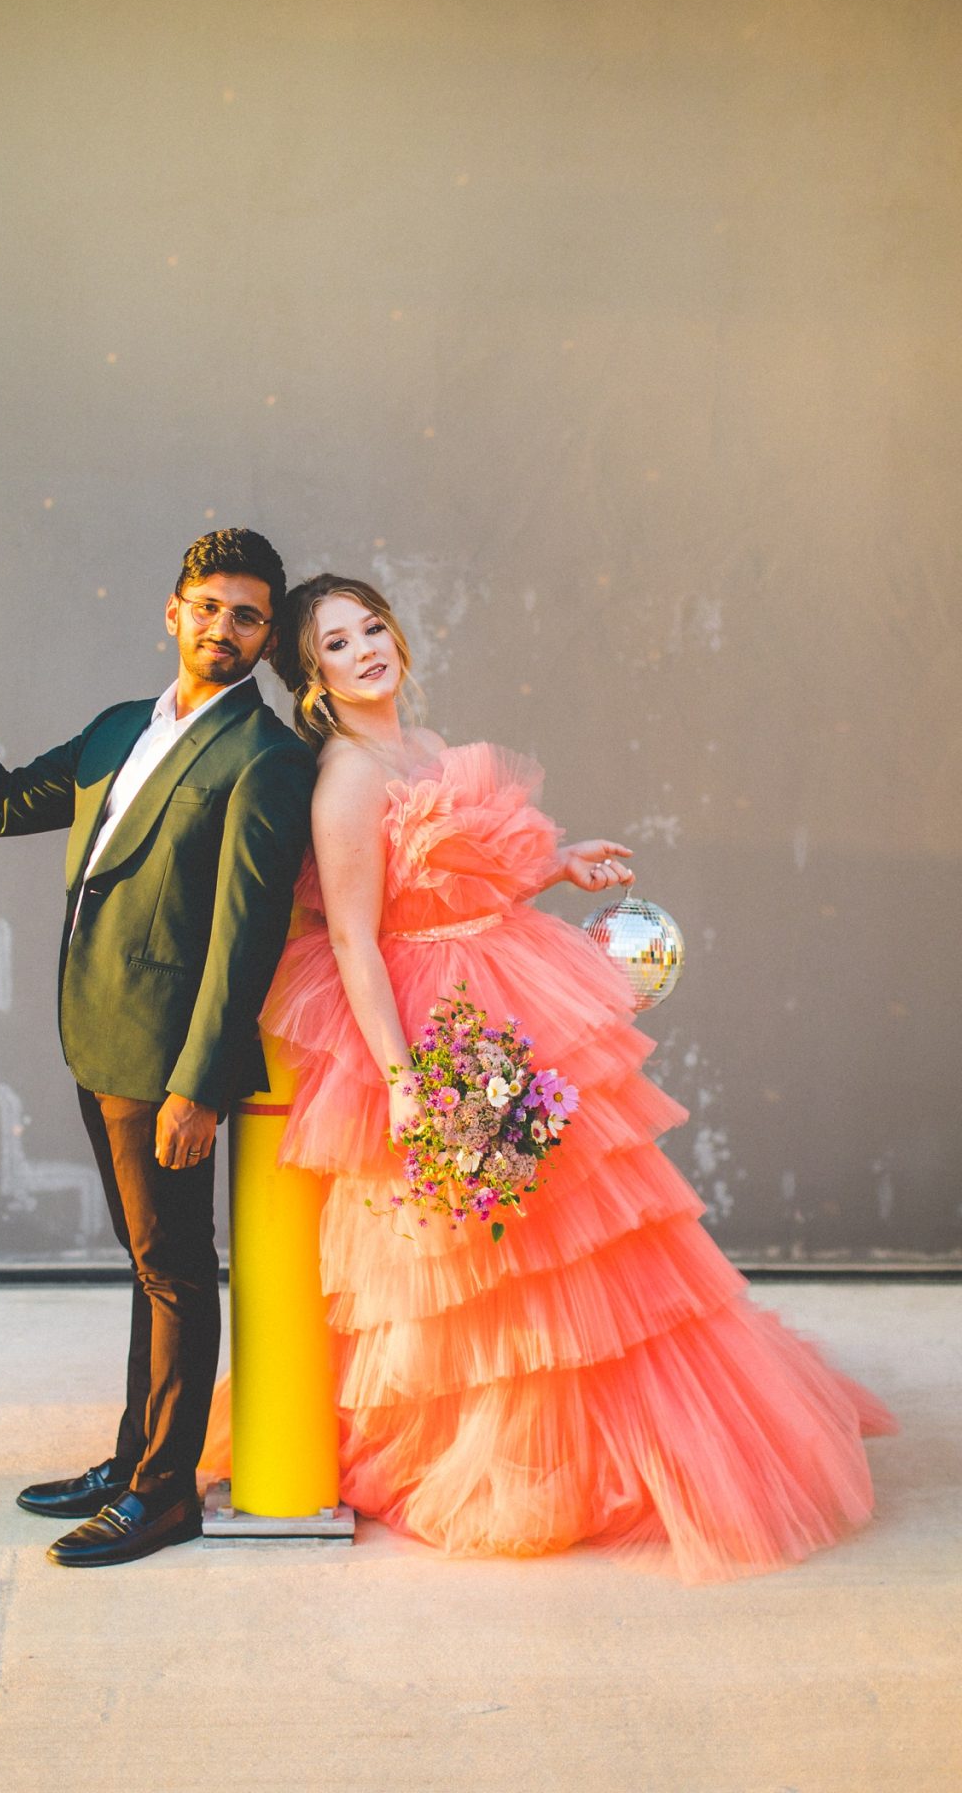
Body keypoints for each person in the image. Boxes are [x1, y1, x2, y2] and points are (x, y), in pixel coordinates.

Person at [230, 571, 895, 1582]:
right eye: (336, 643)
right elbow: (358, 940)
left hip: (505, 973)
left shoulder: (415, 747)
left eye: (372, 627)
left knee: (571, 1229)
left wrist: (556, 862)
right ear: (312, 677)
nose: (366, 649)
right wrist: (403, 1076)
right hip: (430, 1011)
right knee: (479, 1253)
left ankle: (605, 1433)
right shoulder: (348, 777)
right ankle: (497, 1454)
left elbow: (453, 872)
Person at [0, 529, 314, 1568]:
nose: (223, 629)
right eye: (207, 607)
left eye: (246, 616)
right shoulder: (119, 727)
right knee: (150, 1266)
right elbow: (2, 806)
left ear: (266, 636)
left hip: (167, 1062)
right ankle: (131, 1458)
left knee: (176, 1271)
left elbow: (244, 940)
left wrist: (199, 1086)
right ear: (172, 611)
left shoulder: (269, 759)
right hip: (96, 1034)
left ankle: (164, 1494)